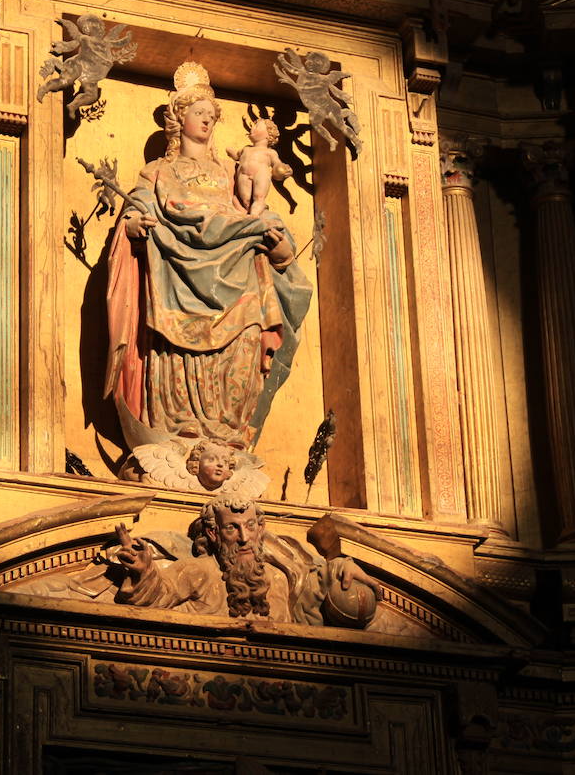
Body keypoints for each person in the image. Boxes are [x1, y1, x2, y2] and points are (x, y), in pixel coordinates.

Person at [106, 62, 312, 456]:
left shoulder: (230, 172)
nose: (207, 120)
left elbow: (251, 207)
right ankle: (179, 427)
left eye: (211, 115)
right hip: (176, 275)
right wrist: (133, 224)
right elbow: (138, 206)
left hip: (236, 271)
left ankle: (227, 429)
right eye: (198, 113)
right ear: (180, 119)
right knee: (175, 346)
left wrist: (274, 240)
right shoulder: (158, 170)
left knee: (249, 334)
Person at [113, 496, 378, 626]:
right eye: (232, 528)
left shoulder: (281, 578)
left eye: (250, 526)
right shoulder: (198, 571)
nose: (244, 538)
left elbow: (312, 584)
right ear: (214, 533)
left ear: (260, 529)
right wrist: (143, 572)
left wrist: (343, 567)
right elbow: (158, 595)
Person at [227, 118, 283, 215]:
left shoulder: (269, 152)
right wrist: (230, 152)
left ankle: (254, 216)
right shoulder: (246, 149)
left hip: (261, 173)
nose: (252, 128)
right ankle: (251, 212)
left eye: (256, 126)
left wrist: (281, 168)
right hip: (243, 175)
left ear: (268, 134)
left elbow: (277, 163)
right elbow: (237, 156)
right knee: (245, 200)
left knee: (259, 197)